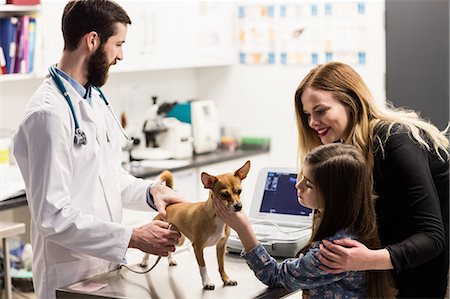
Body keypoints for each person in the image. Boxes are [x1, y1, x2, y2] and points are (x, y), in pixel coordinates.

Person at [12, 1, 185, 298]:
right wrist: (133, 237)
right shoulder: (48, 113)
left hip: (104, 271)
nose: (121, 55)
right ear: (92, 41)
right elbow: (52, 216)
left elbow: (105, 177)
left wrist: (149, 192)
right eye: (118, 44)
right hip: (67, 275)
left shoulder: (92, 99)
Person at [294, 61, 449, 298]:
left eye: (321, 110)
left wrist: (366, 259)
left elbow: (432, 238)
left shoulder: (394, 140)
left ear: (351, 102)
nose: (312, 122)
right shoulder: (344, 150)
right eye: (307, 115)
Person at [213, 143, 397, 298]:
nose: (297, 185)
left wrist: (243, 228)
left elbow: (274, 276)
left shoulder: (333, 252)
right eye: (301, 176)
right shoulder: (357, 223)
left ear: (334, 195)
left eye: (308, 184)